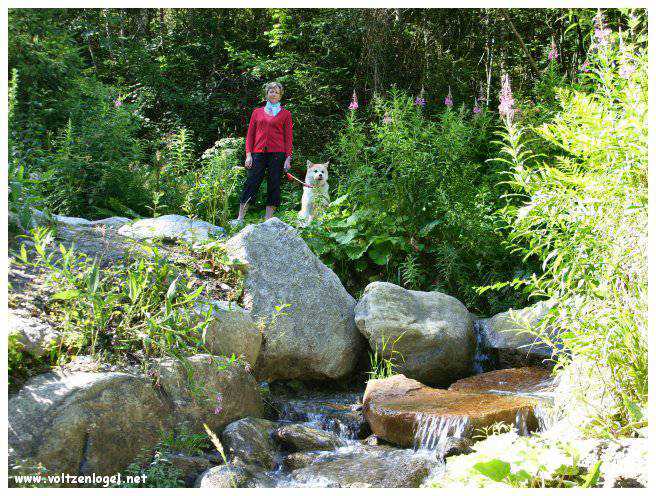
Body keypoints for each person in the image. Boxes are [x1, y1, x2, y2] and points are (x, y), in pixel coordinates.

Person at [235, 81, 293, 222]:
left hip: (277, 154)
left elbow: (288, 137)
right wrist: (248, 154)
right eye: (271, 91)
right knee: (251, 182)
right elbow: (250, 135)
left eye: (277, 92)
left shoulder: (285, 114)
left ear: (280, 96)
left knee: (274, 184)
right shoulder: (257, 112)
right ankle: (240, 218)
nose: (274, 94)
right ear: (266, 94)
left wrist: (288, 157)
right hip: (258, 153)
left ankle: (268, 219)